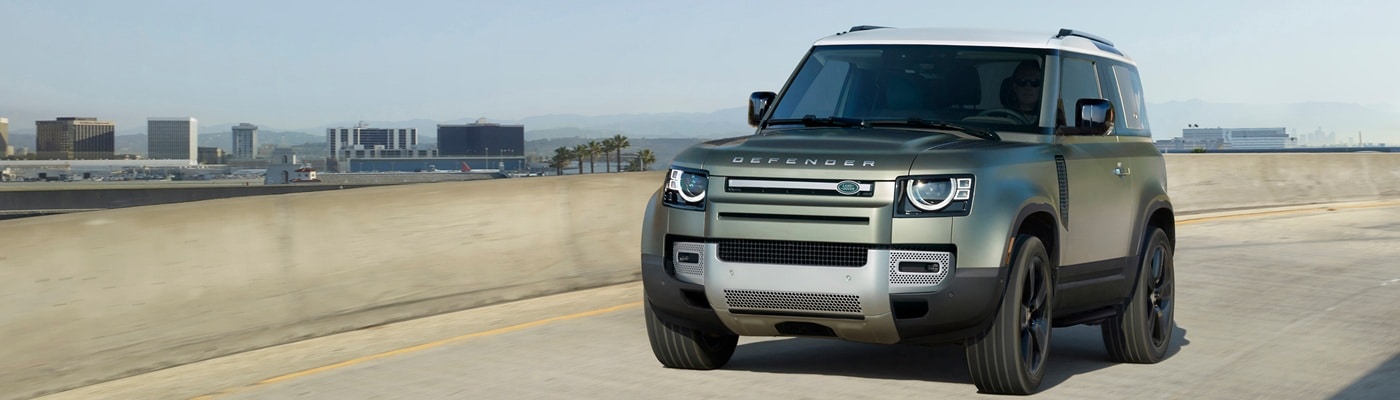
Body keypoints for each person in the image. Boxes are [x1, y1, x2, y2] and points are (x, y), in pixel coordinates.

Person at [1007, 60, 1043, 124]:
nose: (1028, 87)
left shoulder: (1048, 119)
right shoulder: (1001, 115)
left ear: (1042, 88)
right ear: (1015, 87)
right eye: (1022, 82)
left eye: (1034, 82)